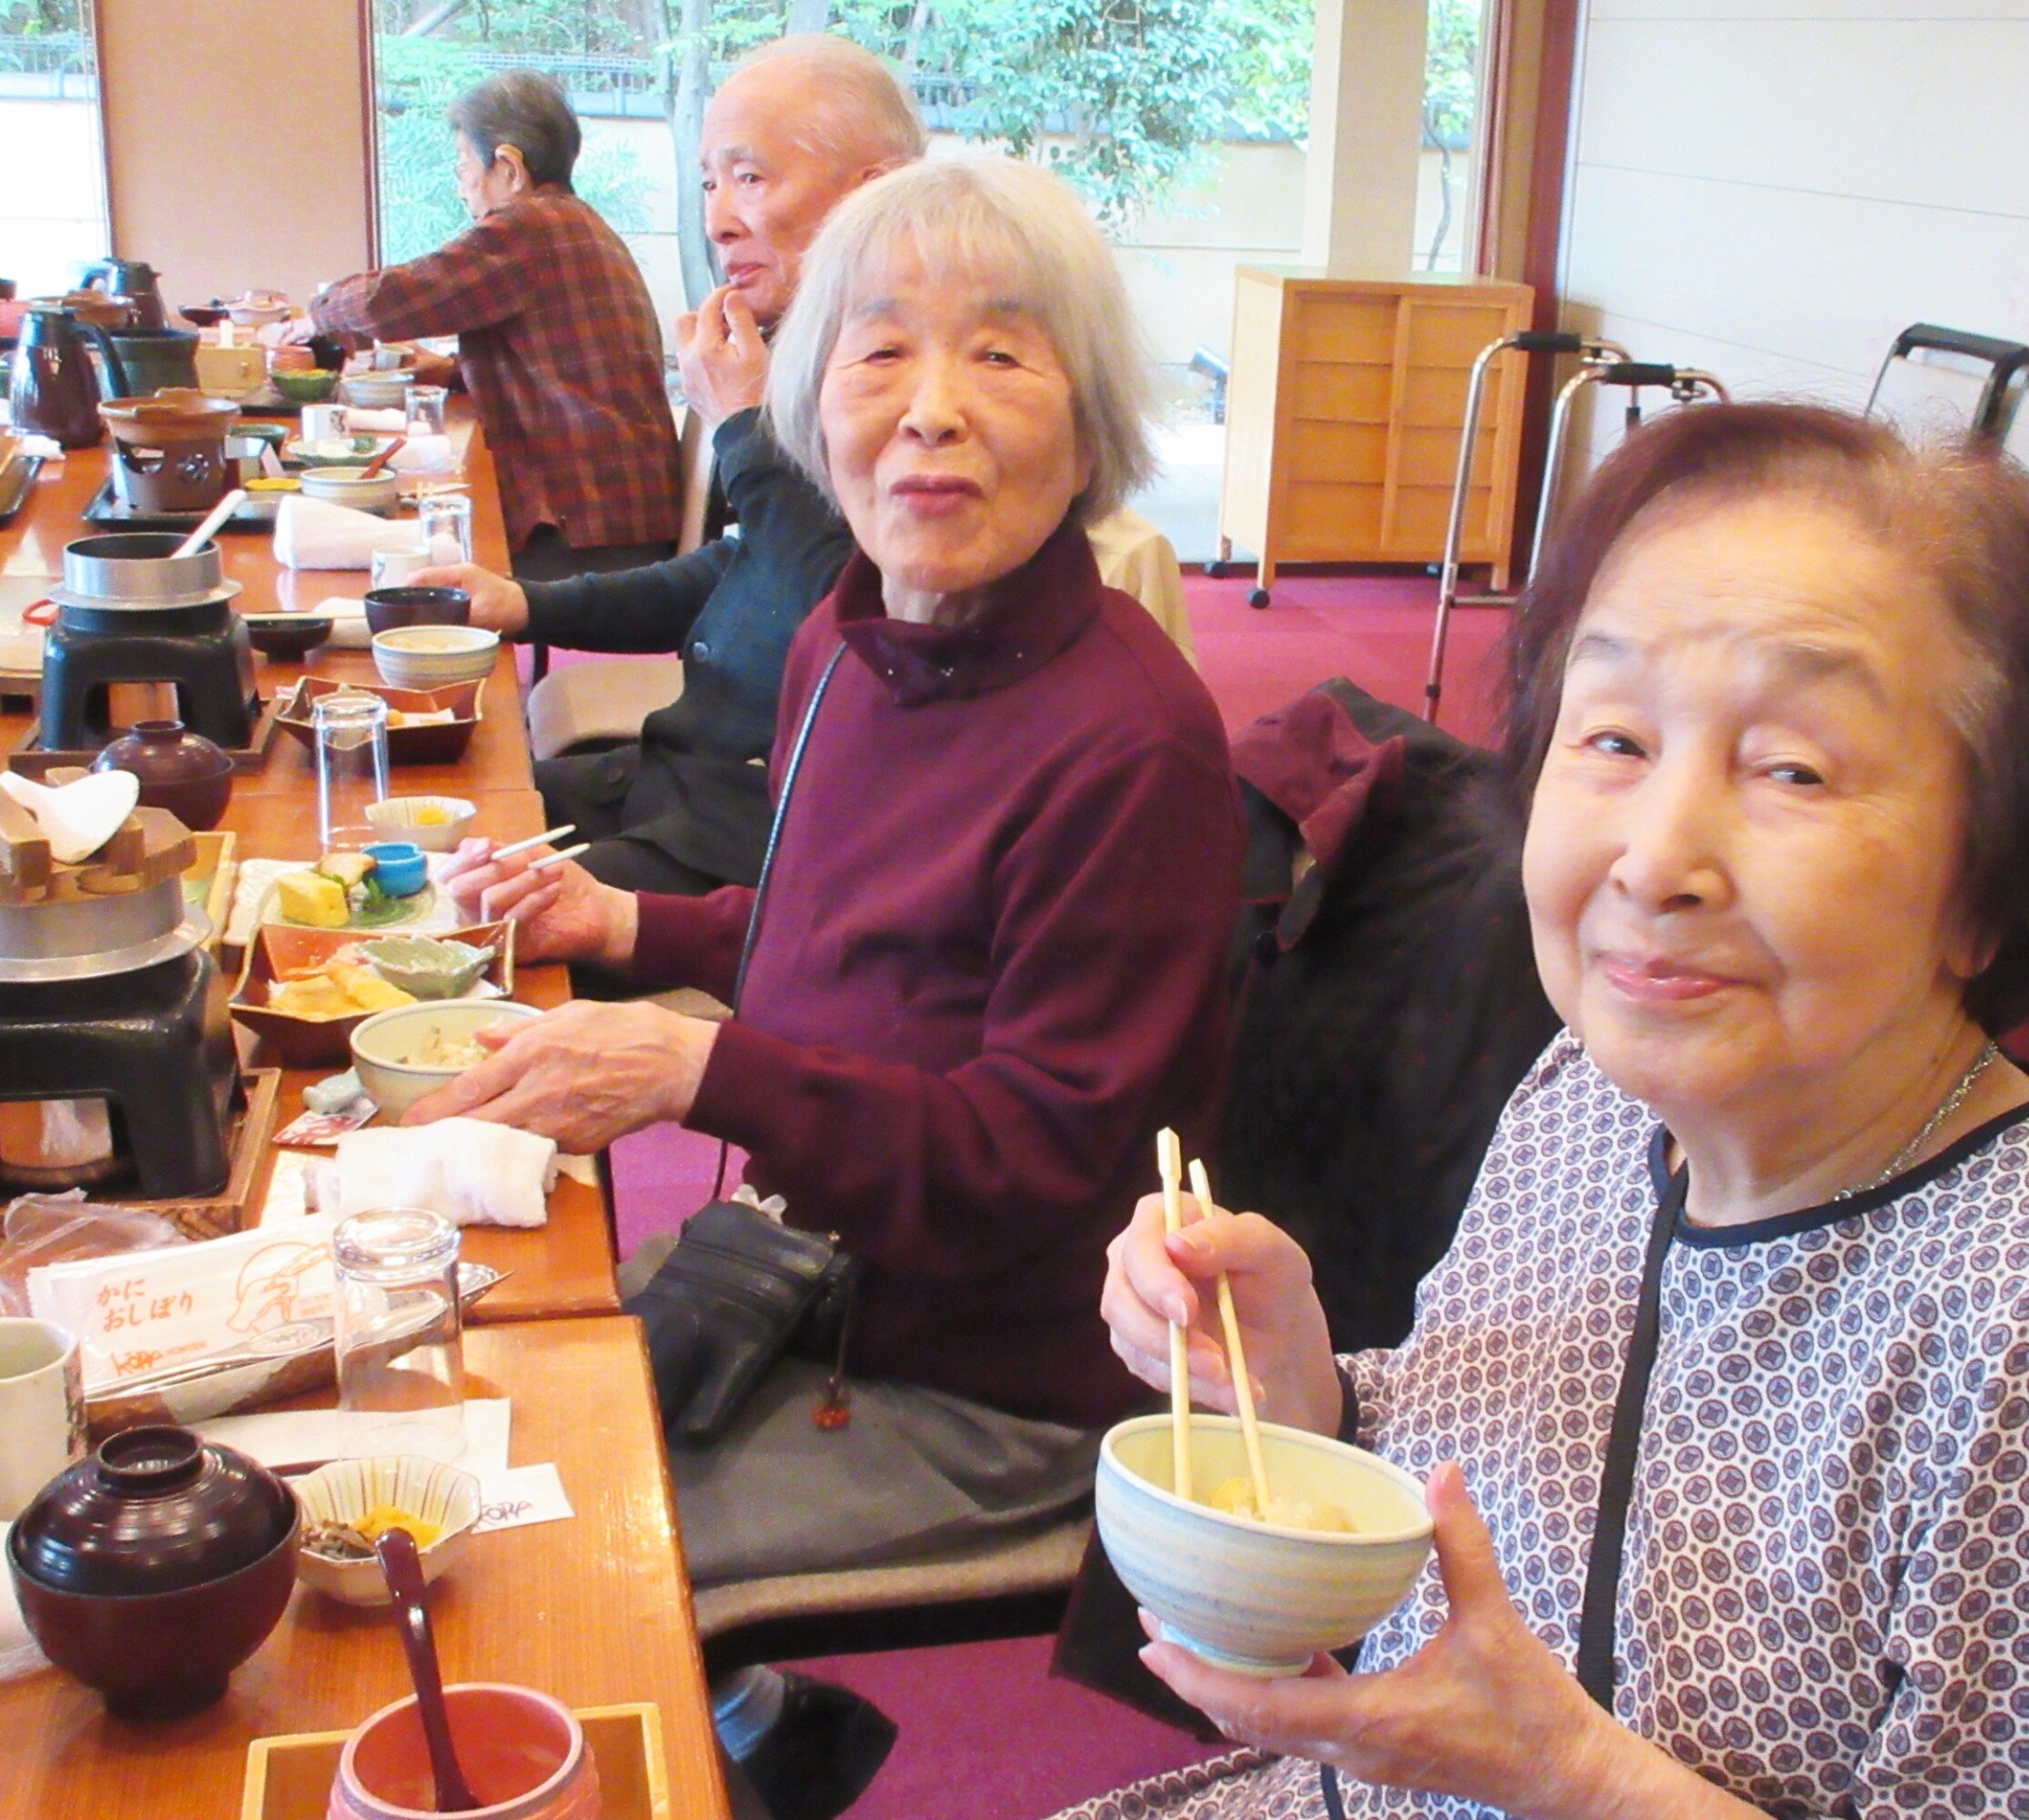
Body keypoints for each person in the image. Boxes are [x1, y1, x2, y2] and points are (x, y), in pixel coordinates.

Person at [1072, 405, 2029, 1820]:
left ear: (1989, 885)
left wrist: (1570, 1778)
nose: (1656, 859)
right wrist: (1302, 1393)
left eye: (1792, 769)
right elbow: (1524, 1498)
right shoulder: (1585, 1094)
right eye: (1618, 737)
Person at [412, 155, 1241, 1811]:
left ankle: (711, 1723)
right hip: (813, 1271)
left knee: (544, 1576)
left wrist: (689, 1074)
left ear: (1091, 433)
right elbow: (834, 933)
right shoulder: (845, 643)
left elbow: (1042, 1160)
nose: (931, 410)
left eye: (1002, 357)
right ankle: (755, 1731)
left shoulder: (1129, 743)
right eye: (877, 354)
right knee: (476, 1423)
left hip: (987, 1374)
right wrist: (628, 932)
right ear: (806, 407)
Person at [411, 37, 923, 894]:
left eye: (751, 177)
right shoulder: (815, 356)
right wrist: (525, 603)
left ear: (870, 197)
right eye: (708, 183)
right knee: (413, 805)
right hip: (662, 783)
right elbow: (744, 567)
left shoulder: (918, 394)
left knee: (426, 918)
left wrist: (745, 427)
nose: (719, 217)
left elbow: (848, 621)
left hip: (750, 848)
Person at [270, 70, 680, 581]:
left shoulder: (529, 227)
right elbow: (553, 368)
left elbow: (393, 300)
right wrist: (444, 369)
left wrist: (316, 314)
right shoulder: (575, 223)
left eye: (464, 163)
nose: (462, 185)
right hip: (616, 512)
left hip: (588, 529)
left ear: (508, 166)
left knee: (408, 560)